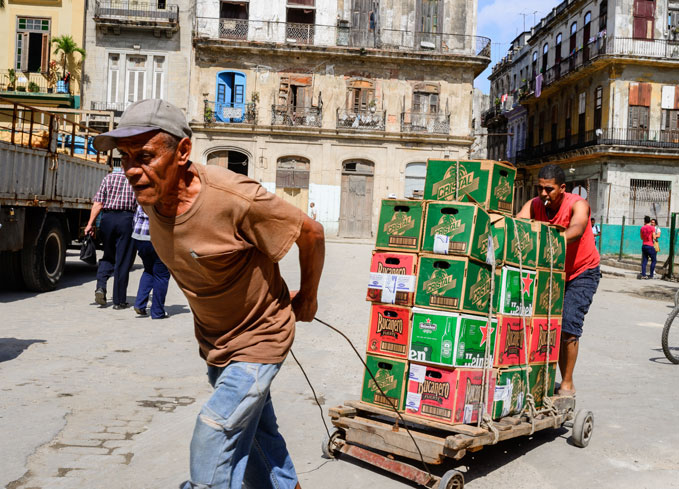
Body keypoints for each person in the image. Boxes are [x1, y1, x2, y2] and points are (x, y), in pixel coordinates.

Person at [93, 99, 325, 489]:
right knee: (259, 443)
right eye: (124, 158)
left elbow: (311, 232)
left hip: (260, 338)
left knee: (214, 431)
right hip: (217, 345)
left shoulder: (233, 198)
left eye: (145, 156)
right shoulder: (153, 194)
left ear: (183, 151)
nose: (132, 170)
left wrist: (308, 299)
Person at [517, 164, 600, 397]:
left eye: (549, 189)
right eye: (540, 188)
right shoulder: (534, 205)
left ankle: (567, 382)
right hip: (552, 271)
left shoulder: (577, 204)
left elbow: (577, 228)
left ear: (562, 188)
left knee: (568, 325)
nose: (543, 194)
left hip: (581, 272)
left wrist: (550, 240)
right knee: (541, 325)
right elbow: (518, 224)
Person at [85, 164, 137, 309]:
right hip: (126, 220)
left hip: (107, 220)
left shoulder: (108, 178)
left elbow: (98, 203)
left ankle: (101, 286)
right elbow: (141, 206)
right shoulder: (135, 181)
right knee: (123, 260)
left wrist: (90, 223)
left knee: (108, 255)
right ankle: (119, 301)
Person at [131, 204, 171, 319]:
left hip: (139, 237)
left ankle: (140, 304)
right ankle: (158, 312)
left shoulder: (143, 198)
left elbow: (135, 218)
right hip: (158, 239)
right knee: (162, 275)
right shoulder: (165, 199)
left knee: (148, 270)